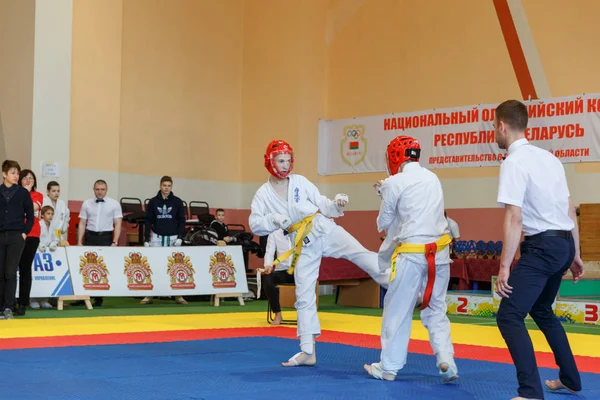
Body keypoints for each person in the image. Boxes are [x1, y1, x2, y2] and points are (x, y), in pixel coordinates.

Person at [249, 139, 390, 367]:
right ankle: (307, 351)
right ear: (270, 161)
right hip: (300, 242)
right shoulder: (263, 194)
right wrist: (274, 219)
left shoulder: (300, 181)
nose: (285, 165)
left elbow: (323, 204)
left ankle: (395, 283)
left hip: (322, 227)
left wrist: (337, 205)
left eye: (287, 160)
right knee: (304, 295)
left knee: (360, 253)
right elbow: (255, 224)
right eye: (280, 160)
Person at [493, 100, 583, 400]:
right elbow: (569, 209)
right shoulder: (550, 159)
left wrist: (505, 265)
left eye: (495, 126)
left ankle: (530, 392)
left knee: (509, 315)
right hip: (562, 245)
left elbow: (514, 216)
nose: (495, 131)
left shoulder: (513, 162)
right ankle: (570, 379)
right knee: (542, 310)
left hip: (543, 247)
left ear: (502, 126)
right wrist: (575, 253)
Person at [364, 135, 458, 382]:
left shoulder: (394, 182)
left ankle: (388, 368)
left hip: (412, 253)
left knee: (398, 309)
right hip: (440, 252)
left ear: (394, 157)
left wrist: (384, 194)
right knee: (436, 307)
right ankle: (446, 358)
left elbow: (383, 224)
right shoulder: (432, 177)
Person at [140, 176, 187, 305]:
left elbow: (182, 221)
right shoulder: (153, 202)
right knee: (153, 265)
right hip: (157, 237)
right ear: (160, 185)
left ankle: (178, 295)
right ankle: (149, 295)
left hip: (173, 238)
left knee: (176, 266)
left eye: (169, 186)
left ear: (171, 187)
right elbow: (148, 221)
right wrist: (146, 239)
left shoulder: (177, 202)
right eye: (164, 185)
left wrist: (180, 237)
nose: (166, 188)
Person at [77, 180, 123, 307]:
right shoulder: (87, 203)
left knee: (102, 268)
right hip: (90, 236)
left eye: (102, 189)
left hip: (106, 237)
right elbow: (82, 223)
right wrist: (79, 241)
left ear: (106, 190)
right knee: (85, 267)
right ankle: (83, 297)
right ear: (94, 189)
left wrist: (115, 241)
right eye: (97, 189)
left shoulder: (114, 204)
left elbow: (118, 223)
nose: (100, 192)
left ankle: (98, 298)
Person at [0, 160, 34, 320]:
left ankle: (8, 307)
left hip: (16, 236)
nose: (16, 176)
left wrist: (24, 233)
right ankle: (1, 306)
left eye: (17, 173)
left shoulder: (23, 193)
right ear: (4, 174)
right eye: (13, 173)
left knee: (10, 272)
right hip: (0, 235)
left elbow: (31, 216)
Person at [15, 169, 43, 316]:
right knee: (10, 269)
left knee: (25, 268)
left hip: (32, 235)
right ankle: (8, 301)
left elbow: (31, 207)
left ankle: (22, 303)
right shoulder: (13, 193)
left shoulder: (37, 195)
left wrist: (24, 194)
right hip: (15, 234)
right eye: (25, 178)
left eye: (31, 178)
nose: (28, 180)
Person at [261, 228, 294, 325]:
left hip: (299, 271)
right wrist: (268, 266)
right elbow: (269, 253)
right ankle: (277, 313)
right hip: (281, 271)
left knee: (308, 278)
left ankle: (305, 316)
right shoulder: (274, 234)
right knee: (267, 278)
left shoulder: (302, 231)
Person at [34, 205, 58, 309]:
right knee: (36, 277)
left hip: (48, 255)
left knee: (46, 277)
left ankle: (44, 300)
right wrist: (38, 244)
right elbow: (35, 236)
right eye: (48, 214)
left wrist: (54, 243)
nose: (50, 216)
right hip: (37, 253)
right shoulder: (39, 224)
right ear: (42, 215)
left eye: (52, 214)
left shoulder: (52, 226)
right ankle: (33, 300)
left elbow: (55, 238)